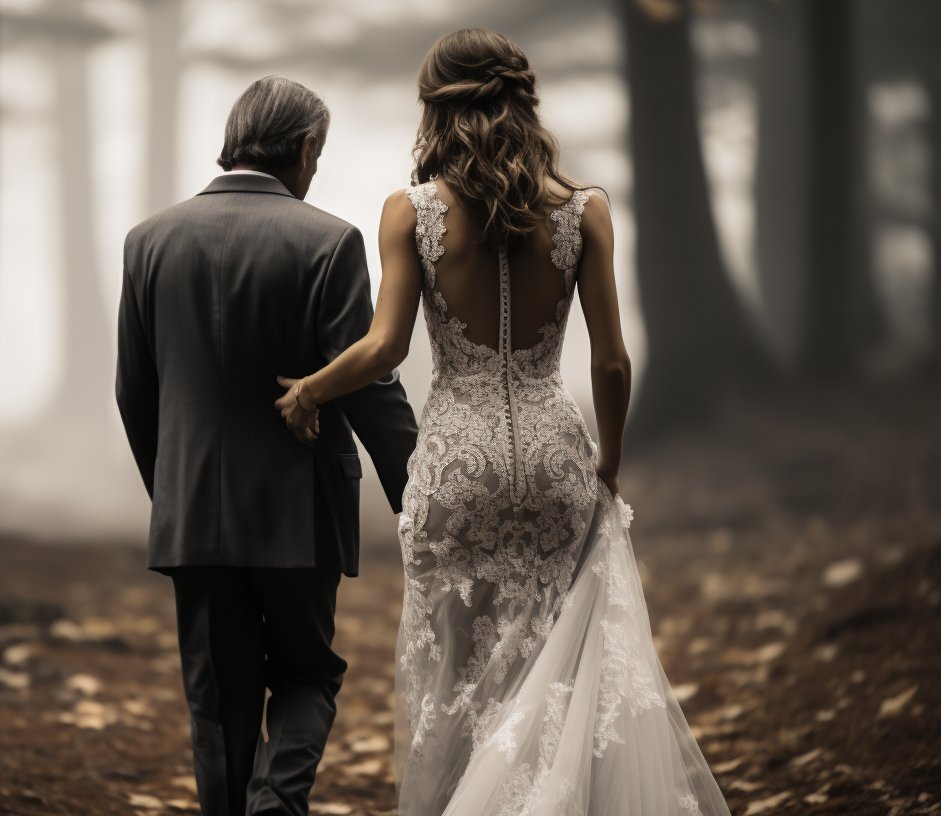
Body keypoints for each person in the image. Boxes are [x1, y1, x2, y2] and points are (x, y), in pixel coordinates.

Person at [274, 29, 731, 816]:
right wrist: (609, 466)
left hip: (458, 463)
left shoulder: (409, 212)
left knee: (462, 679)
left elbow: (384, 347)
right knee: (557, 669)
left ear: (436, 112)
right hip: (555, 460)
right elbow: (613, 362)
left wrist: (310, 391)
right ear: (524, 101)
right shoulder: (583, 211)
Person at [115, 77, 420, 816]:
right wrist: (424, 497)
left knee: (218, 701)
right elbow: (369, 385)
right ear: (306, 147)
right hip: (300, 513)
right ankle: (278, 805)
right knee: (307, 676)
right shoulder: (329, 241)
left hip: (193, 518)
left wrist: (178, 496)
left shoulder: (148, 240)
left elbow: (135, 392)